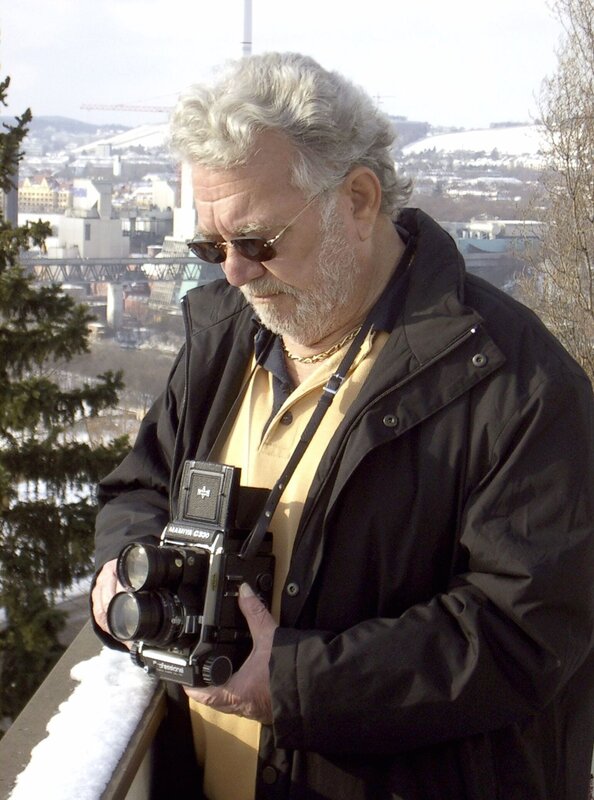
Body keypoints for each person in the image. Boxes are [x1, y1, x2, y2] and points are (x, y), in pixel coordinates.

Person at [91, 52, 594, 800]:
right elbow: (142, 488)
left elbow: (526, 632)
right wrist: (128, 570)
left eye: (257, 241)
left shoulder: (517, 381)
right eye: (210, 247)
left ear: (357, 200)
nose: (233, 272)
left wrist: (299, 683)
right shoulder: (224, 334)